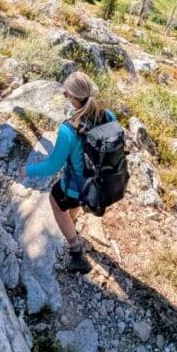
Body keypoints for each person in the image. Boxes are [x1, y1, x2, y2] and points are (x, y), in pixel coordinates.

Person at [25, 71, 115, 274]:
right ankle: (72, 220)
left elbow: (52, 167)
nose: (65, 97)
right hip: (102, 182)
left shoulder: (68, 130)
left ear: (73, 98)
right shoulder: (108, 115)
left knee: (56, 201)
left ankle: (76, 253)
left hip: (77, 186)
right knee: (71, 202)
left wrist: (27, 170)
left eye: (66, 94)